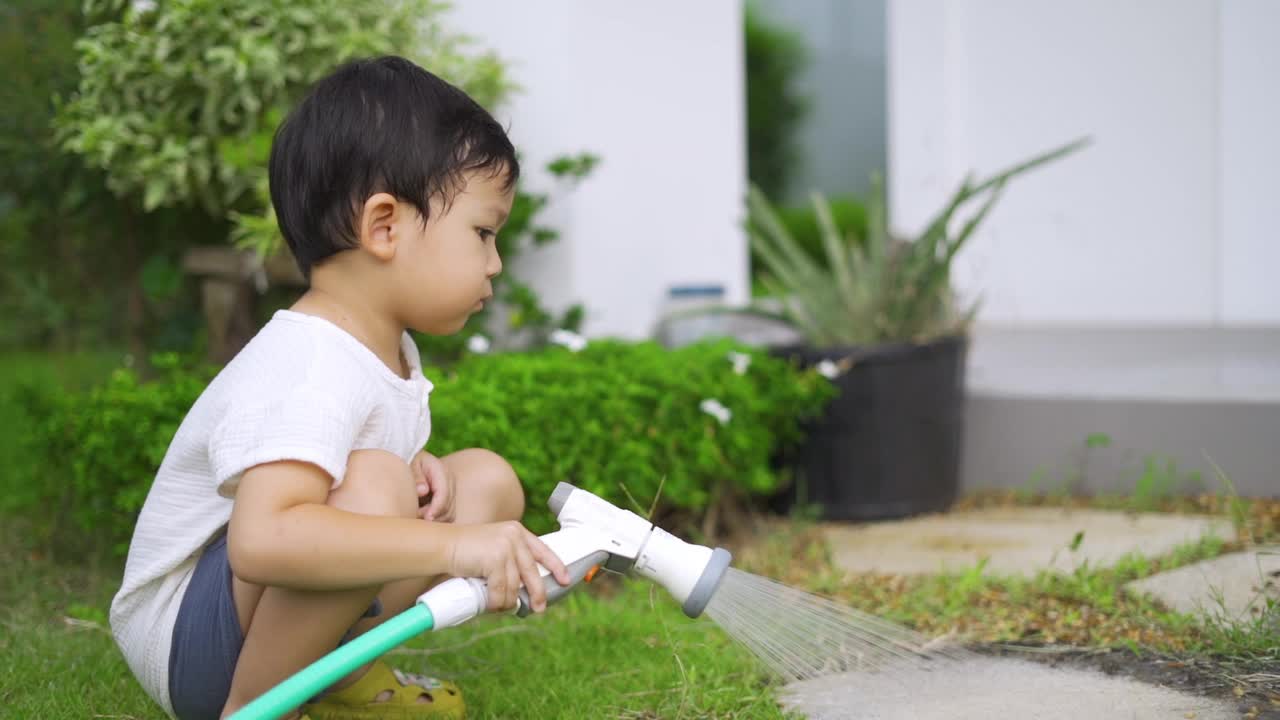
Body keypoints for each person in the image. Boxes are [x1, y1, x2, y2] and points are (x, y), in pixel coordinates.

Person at [109, 55, 571, 720]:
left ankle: (332, 677)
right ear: (384, 226)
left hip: (248, 614)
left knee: (484, 483)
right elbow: (265, 538)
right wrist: (449, 543)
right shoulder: (310, 360)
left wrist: (416, 475)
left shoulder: (385, 350)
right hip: (189, 641)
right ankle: (260, 707)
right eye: (483, 233)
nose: (495, 263)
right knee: (380, 489)